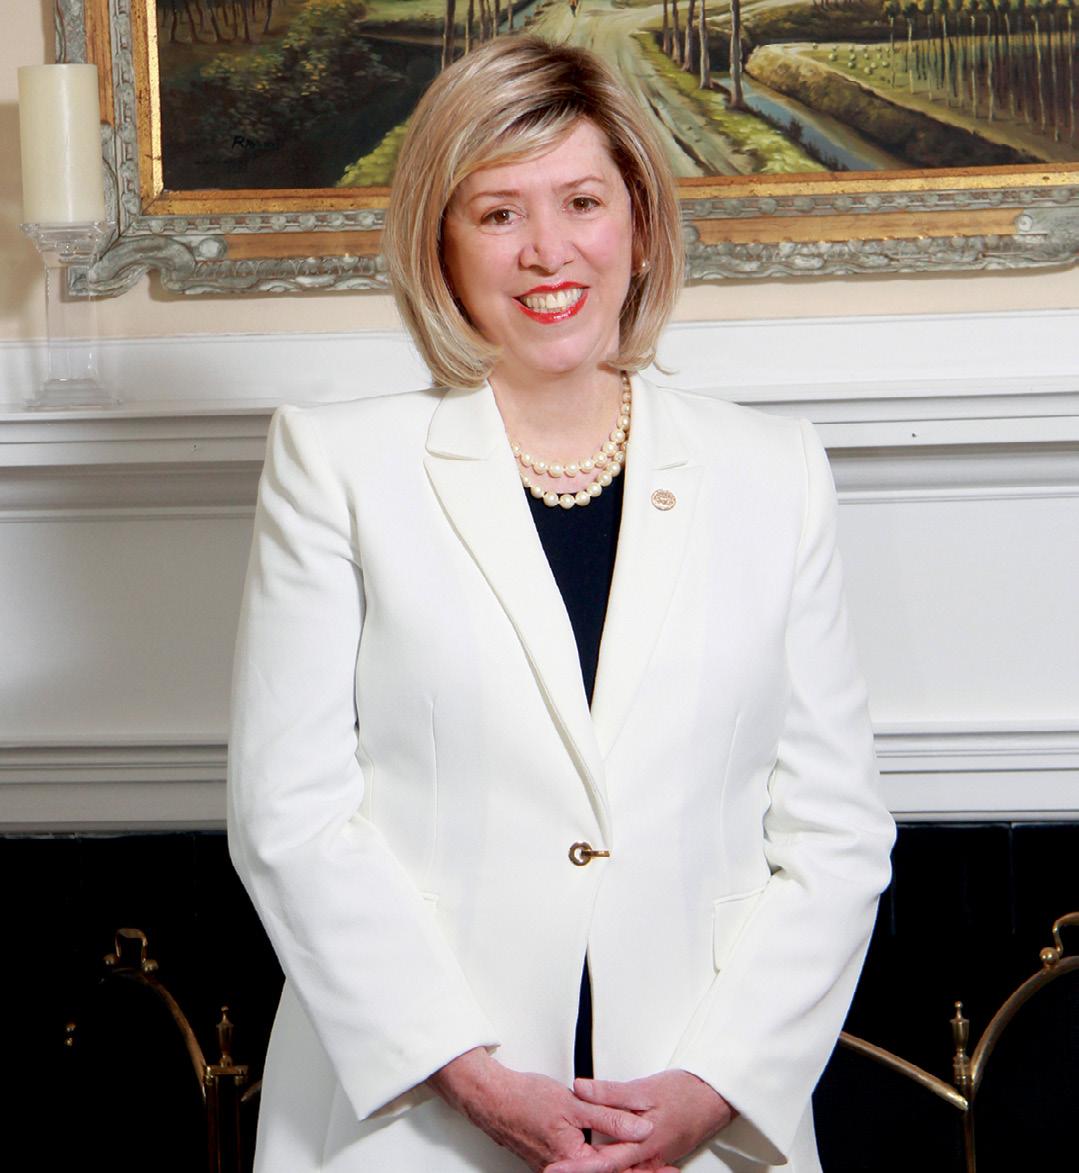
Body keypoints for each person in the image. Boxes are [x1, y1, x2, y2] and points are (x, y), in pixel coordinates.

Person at [227, 35, 896, 1173]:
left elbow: (835, 831)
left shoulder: (772, 472)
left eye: (582, 201)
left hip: (694, 1111)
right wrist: (473, 1080)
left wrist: (712, 1087)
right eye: (498, 213)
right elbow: (288, 816)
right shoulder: (334, 466)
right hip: (415, 1120)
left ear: (638, 224)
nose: (548, 250)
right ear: (439, 246)